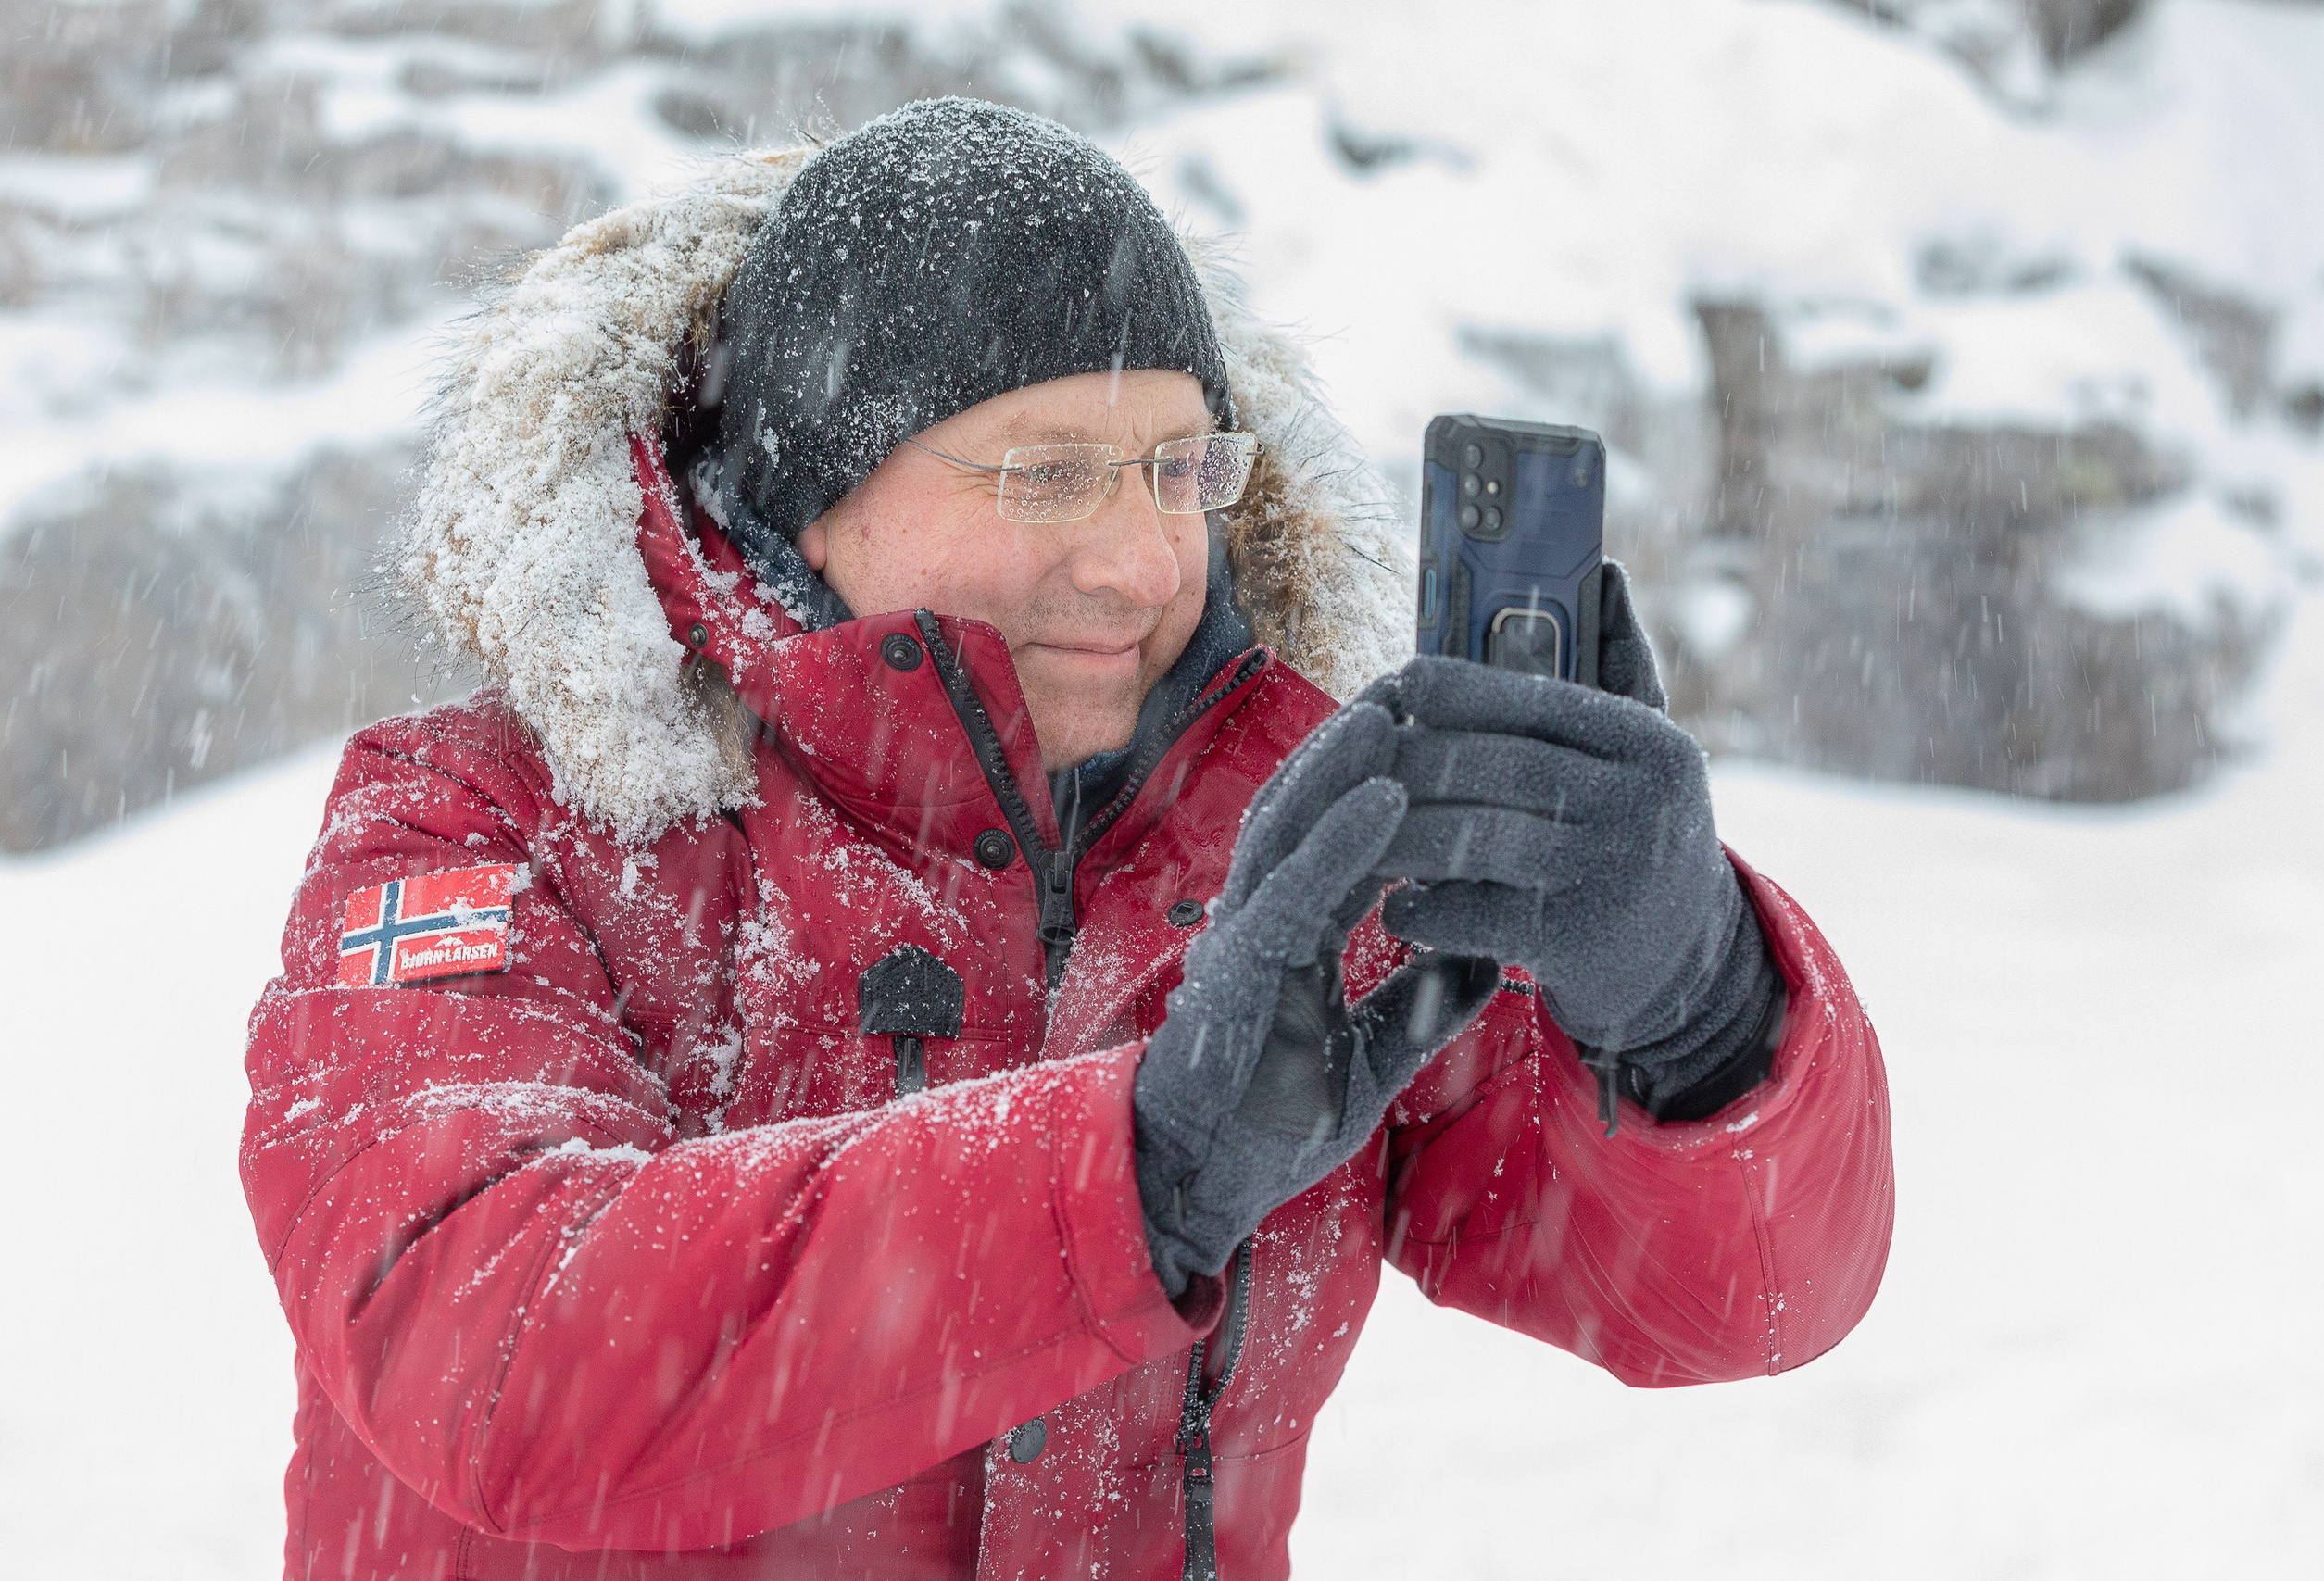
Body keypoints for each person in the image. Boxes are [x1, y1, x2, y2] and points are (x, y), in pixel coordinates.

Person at [240, 98, 1892, 1581]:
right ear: (810, 492)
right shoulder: (486, 827)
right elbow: (495, 1353)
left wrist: (1692, 1010)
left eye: (1179, 469)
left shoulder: (1300, 832)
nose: (1141, 564)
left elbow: (1742, 1303)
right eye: (1046, 475)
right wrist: (1134, 1175)